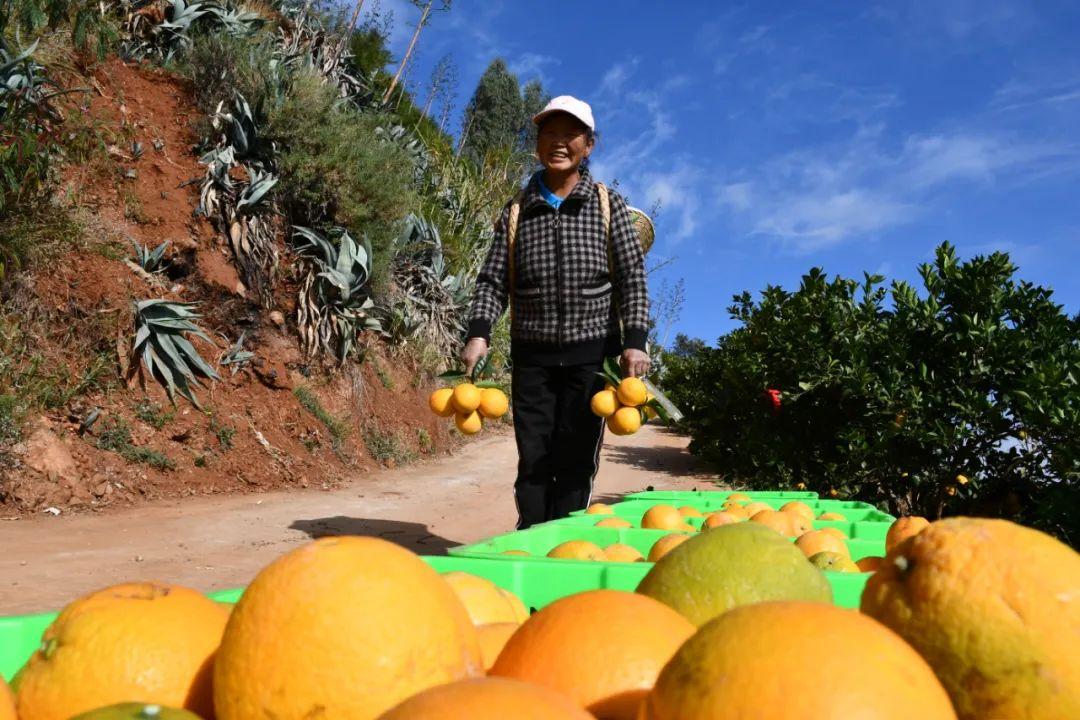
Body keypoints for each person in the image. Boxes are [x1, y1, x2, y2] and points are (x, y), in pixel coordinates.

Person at [461, 95, 650, 529]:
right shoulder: (516, 210)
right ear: (538, 143)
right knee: (534, 459)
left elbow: (631, 279)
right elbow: (492, 280)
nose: (558, 144)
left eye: (570, 135)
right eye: (549, 134)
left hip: (591, 358)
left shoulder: (608, 205)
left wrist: (634, 342)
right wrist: (478, 333)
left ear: (589, 146)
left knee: (576, 459)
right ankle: (531, 540)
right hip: (534, 359)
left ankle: (564, 545)